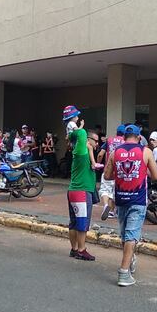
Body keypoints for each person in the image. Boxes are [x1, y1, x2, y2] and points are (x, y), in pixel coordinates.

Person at [103, 124, 157, 287]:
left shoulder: (115, 152)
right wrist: (144, 169)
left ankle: (130, 259)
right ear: (139, 137)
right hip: (138, 199)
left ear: (124, 137)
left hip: (120, 198)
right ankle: (123, 272)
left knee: (124, 235)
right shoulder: (145, 151)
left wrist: (119, 171)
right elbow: (156, 176)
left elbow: (107, 175)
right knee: (131, 235)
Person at [64, 107, 98, 261]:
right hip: (81, 192)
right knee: (82, 222)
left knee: (74, 222)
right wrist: (81, 130)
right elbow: (80, 134)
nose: (96, 144)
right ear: (86, 140)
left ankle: (74, 249)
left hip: (74, 191)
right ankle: (81, 250)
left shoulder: (79, 151)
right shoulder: (80, 150)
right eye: (94, 140)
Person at [97, 124, 125, 220]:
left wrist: (97, 164)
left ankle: (106, 206)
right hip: (120, 171)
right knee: (115, 191)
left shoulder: (109, 140)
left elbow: (101, 154)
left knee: (105, 189)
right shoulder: (125, 142)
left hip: (108, 169)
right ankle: (113, 211)